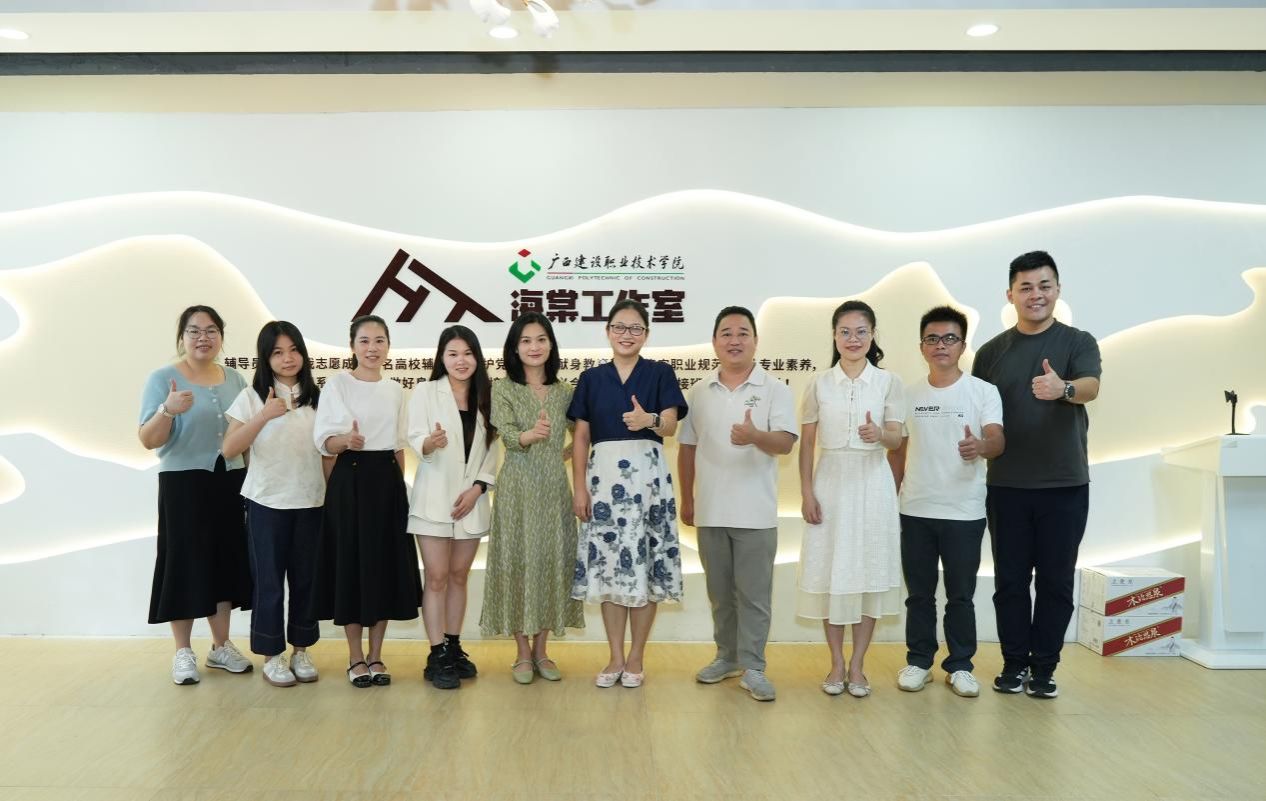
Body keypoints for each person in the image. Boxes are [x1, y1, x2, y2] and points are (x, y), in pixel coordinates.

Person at [971, 250, 1101, 699]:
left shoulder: (1078, 341)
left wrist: (1063, 388)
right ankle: (1014, 664)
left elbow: (1090, 387)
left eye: (1044, 285)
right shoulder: (991, 353)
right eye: (1025, 287)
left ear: (1058, 289)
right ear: (1010, 295)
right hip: (1006, 485)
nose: (1036, 294)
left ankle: (1044, 667)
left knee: (1055, 582)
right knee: (1009, 582)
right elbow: (981, 412)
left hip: (1065, 485)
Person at [678, 306, 796, 702]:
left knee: (754, 596)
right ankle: (726, 657)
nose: (734, 340)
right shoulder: (699, 391)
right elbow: (687, 448)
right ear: (714, 342)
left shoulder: (775, 389)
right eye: (726, 333)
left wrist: (754, 436)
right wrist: (688, 499)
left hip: (755, 513)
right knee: (719, 593)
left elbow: (785, 443)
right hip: (710, 511)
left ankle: (754, 667)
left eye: (743, 333)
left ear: (756, 341)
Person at [569, 299, 688, 689]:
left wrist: (648, 419)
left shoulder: (660, 373)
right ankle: (615, 657)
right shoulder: (591, 378)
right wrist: (579, 489)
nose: (627, 334)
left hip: (647, 484)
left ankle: (636, 657)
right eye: (619, 327)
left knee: (645, 565)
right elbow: (581, 437)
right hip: (603, 483)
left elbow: (669, 425)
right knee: (609, 568)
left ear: (646, 334)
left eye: (636, 328)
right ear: (607, 332)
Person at [888, 306, 1004, 698]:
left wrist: (981, 446)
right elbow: (898, 452)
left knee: (960, 596)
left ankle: (960, 666)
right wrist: (891, 497)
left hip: (964, 511)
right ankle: (919, 661)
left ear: (963, 345)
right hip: (915, 509)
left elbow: (997, 440)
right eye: (933, 339)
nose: (941, 345)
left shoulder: (983, 392)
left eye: (950, 338)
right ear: (922, 346)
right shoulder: (907, 395)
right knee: (919, 595)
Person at [138, 305, 253, 684]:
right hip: (183, 483)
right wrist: (167, 411)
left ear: (221, 336)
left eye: (211, 330)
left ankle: (221, 647)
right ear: (182, 337)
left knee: (224, 560)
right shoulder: (163, 378)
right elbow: (148, 439)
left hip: (229, 480)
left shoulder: (235, 378)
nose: (203, 337)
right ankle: (183, 651)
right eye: (194, 331)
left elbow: (245, 434)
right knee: (184, 563)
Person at [798, 300, 904, 698]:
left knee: (868, 573)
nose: (853, 339)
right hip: (830, 482)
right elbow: (807, 444)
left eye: (861, 331)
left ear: (872, 335)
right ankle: (836, 663)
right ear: (834, 336)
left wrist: (880, 435)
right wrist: (807, 492)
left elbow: (896, 438)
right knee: (832, 573)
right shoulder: (819, 383)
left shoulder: (889, 382)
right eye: (845, 331)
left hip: (872, 483)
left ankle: (857, 665)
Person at [311, 315, 422, 688]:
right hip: (350, 480)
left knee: (383, 567)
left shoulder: (396, 390)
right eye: (364, 341)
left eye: (379, 341)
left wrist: (399, 490)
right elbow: (325, 443)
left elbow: (399, 446)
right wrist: (346, 441)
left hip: (387, 483)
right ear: (352, 346)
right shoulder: (337, 385)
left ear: (388, 346)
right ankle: (355, 657)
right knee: (351, 566)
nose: (372, 348)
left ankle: (376, 656)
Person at [480, 312, 585, 684]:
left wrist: (565, 453)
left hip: (554, 490)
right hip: (517, 489)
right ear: (514, 348)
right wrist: (531, 435)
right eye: (525, 340)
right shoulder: (503, 388)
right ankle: (522, 653)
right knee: (518, 563)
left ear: (551, 345)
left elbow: (583, 434)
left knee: (551, 562)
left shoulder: (566, 391)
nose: (534, 347)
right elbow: (507, 435)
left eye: (541, 339)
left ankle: (542, 650)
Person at [222, 321, 327, 687]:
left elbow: (327, 452)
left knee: (305, 581)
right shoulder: (251, 397)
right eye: (278, 352)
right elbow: (229, 449)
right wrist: (264, 415)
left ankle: (301, 650)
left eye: (294, 350)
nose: (288, 358)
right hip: (266, 502)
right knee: (269, 582)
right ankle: (271, 655)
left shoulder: (317, 397)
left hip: (311, 501)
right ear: (266, 358)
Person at [408, 325, 498, 690]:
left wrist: (478, 489)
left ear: (477, 358)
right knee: (437, 577)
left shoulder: (487, 396)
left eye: (468, 354)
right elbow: (415, 437)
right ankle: (436, 654)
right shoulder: (426, 391)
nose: (461, 361)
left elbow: (492, 450)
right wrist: (430, 442)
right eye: (453, 354)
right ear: (442, 358)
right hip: (433, 500)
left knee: (459, 576)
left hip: (470, 502)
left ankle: (454, 645)